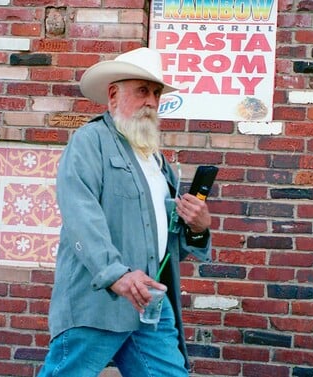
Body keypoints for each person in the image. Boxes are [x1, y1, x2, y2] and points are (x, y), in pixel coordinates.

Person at [39, 47, 212, 377]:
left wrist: (198, 227)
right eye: (143, 91)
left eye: (156, 93)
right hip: (99, 304)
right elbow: (80, 214)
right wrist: (115, 274)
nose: (151, 101)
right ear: (114, 94)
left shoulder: (158, 162)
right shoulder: (90, 141)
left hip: (149, 303)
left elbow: (164, 238)